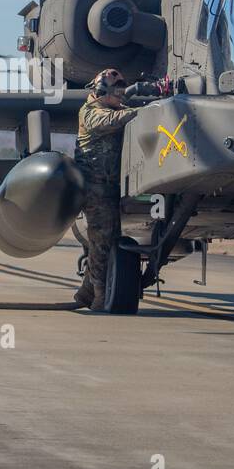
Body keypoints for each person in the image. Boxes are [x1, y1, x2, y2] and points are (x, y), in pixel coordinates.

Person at [74, 68, 139, 310]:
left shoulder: (116, 110)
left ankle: (86, 292)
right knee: (102, 243)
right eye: (117, 89)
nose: (122, 93)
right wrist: (141, 114)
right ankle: (100, 297)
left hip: (108, 188)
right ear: (101, 91)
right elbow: (106, 122)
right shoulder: (90, 111)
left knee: (106, 241)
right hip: (95, 189)